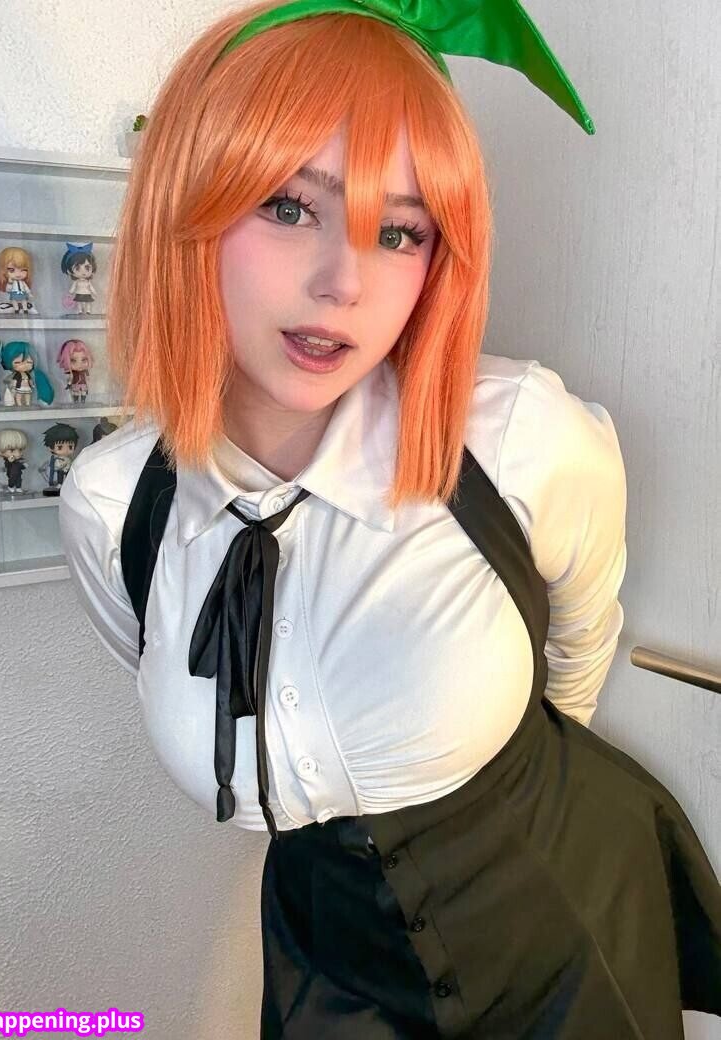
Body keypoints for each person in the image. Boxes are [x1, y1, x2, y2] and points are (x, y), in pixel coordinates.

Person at [59, 0, 721, 1035]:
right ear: (185, 202)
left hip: (565, 920)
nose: (344, 284)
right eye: (289, 205)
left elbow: (579, 640)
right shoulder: (115, 509)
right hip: (329, 964)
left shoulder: (520, 440)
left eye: (399, 230)